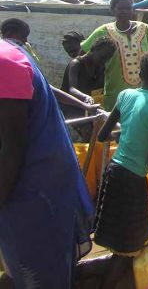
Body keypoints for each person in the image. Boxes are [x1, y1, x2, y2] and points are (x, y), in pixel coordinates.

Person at [0, 38, 94, 288]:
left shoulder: (5, 63)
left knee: (39, 272)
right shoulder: (9, 53)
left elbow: (12, 147)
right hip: (32, 181)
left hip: (32, 189)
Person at [93, 51, 148, 289]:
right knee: (129, 243)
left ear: (139, 75)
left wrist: (129, 132)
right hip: (132, 178)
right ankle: (107, 285)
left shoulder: (125, 94)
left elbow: (102, 135)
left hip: (113, 171)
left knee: (120, 233)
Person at [81, 0, 148, 110]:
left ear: (132, 9)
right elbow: (82, 57)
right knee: (117, 126)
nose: (124, 11)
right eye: (120, 8)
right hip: (115, 95)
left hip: (145, 94)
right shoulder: (103, 31)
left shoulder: (145, 29)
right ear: (112, 9)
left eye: (128, 8)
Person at [61, 37, 117, 141]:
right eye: (102, 57)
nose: (103, 61)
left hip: (88, 107)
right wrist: (85, 97)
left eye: (107, 59)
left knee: (103, 132)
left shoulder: (100, 67)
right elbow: (72, 89)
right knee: (89, 133)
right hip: (72, 106)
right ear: (94, 49)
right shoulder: (76, 64)